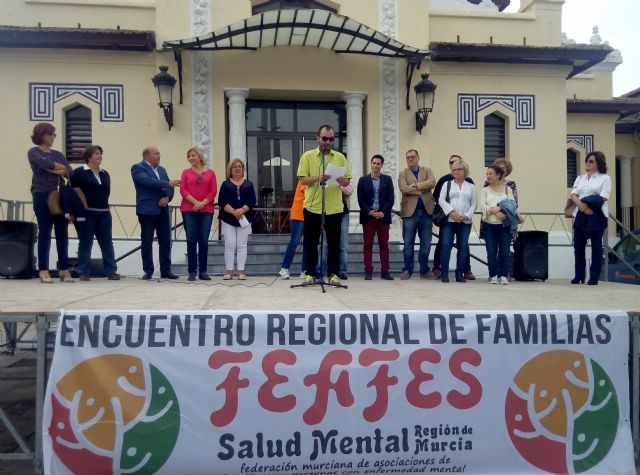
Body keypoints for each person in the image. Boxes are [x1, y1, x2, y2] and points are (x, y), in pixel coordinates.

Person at [297, 124, 352, 286]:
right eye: (325, 138)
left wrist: (343, 181)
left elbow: (348, 179)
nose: (328, 142)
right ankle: (311, 274)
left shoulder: (340, 157)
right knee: (311, 242)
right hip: (312, 206)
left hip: (334, 207)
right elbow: (302, 179)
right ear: (318, 138)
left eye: (331, 139)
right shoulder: (307, 156)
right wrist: (318, 178)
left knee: (334, 243)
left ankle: (333, 274)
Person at [27, 122, 74, 283]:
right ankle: (44, 270)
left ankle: (64, 269)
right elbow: (44, 163)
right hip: (41, 194)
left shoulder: (58, 154)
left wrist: (56, 169)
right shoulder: (33, 152)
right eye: (51, 134)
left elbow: (69, 172)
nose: (53, 137)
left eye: (54, 134)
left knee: (62, 232)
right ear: (42, 135)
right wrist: (57, 169)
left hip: (59, 195)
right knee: (45, 231)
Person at [69, 145, 120, 281]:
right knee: (86, 242)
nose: (100, 156)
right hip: (86, 213)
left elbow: (106, 192)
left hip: (104, 212)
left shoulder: (105, 174)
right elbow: (73, 193)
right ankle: (84, 271)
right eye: (97, 154)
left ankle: (111, 271)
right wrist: (74, 212)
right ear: (89, 156)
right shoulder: (79, 173)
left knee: (107, 243)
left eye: (100, 154)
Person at [131, 146, 180, 280]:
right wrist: (168, 184)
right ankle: (148, 271)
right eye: (156, 154)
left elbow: (170, 188)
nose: (159, 156)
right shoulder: (138, 168)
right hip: (147, 210)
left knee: (165, 240)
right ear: (147, 156)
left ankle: (166, 270)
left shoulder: (162, 170)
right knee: (147, 241)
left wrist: (167, 198)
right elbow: (148, 182)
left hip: (163, 210)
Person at [569, 151, 611, 285]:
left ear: (598, 163)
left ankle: (594, 276)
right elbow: (573, 195)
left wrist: (587, 204)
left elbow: (603, 196)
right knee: (578, 246)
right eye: (586, 160)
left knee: (596, 247)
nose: (587, 163)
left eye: (591, 161)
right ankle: (579, 275)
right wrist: (582, 207)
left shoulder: (605, 178)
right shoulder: (580, 178)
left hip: (596, 214)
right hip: (581, 214)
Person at [432, 154, 476, 280]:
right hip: (449, 220)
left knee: (462, 247)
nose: (456, 171)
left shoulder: (471, 186)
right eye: (454, 169)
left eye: (459, 169)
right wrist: (451, 212)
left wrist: (466, 216)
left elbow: (474, 204)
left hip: (465, 222)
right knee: (446, 245)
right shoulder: (447, 184)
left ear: (465, 170)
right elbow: (440, 199)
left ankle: (459, 274)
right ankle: (444, 273)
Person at [398, 149, 437, 280]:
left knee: (426, 244)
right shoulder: (403, 173)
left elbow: (432, 182)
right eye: (407, 157)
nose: (410, 159)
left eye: (412, 157)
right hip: (410, 214)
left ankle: (424, 270)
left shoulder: (427, 171)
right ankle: (407, 270)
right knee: (408, 243)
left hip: (427, 212)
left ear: (418, 158)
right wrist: (423, 188)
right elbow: (403, 188)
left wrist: (415, 186)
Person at [180, 147, 217, 281]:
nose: (190, 158)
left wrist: (202, 203)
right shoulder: (185, 173)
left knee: (203, 241)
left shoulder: (211, 173)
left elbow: (213, 191)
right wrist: (196, 202)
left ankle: (203, 271)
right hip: (188, 210)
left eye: (193, 155)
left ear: (200, 157)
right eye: (189, 156)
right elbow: (183, 190)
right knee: (191, 240)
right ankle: (192, 271)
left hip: (206, 210)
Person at [357, 154, 395, 280]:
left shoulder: (387, 180)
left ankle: (385, 271)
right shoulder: (363, 180)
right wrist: (369, 212)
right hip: (368, 217)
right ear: (371, 164)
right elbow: (360, 199)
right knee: (368, 244)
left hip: (383, 216)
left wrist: (383, 212)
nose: (376, 165)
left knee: (384, 244)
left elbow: (391, 198)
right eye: (374, 163)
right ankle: (368, 271)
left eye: (378, 163)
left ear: (381, 165)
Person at [218, 158, 256, 280]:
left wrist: (242, 210)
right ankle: (229, 272)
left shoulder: (249, 184)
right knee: (230, 245)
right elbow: (222, 201)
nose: (237, 168)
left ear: (243, 169)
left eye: (239, 166)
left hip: (244, 218)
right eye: (235, 167)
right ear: (231, 169)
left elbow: (252, 200)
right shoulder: (225, 184)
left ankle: (241, 272)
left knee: (242, 245)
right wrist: (234, 212)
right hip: (228, 218)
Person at [480, 165, 514, 284]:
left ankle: (504, 275)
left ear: (498, 175)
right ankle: (493, 275)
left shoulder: (507, 189)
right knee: (491, 251)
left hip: (504, 225)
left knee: (505, 251)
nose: (488, 176)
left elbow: (512, 204)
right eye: (487, 174)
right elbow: (482, 206)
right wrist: (492, 210)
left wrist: (501, 210)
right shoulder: (485, 190)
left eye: (490, 174)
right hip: (489, 225)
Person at [278, 180, 306, 279]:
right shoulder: (305, 179)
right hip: (298, 214)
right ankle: (284, 269)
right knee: (294, 242)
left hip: (310, 215)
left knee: (308, 244)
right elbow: (309, 193)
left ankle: (305, 271)